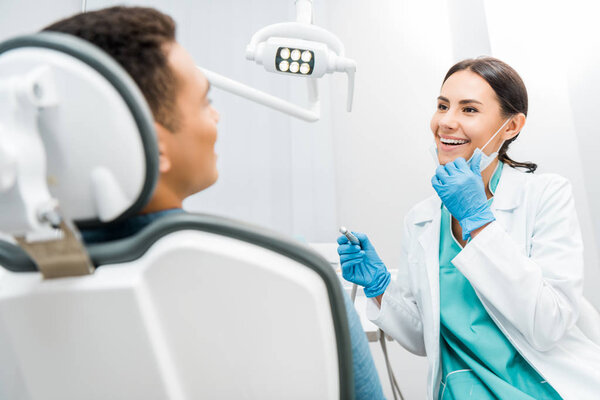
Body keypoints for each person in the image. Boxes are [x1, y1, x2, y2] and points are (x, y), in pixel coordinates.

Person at [43, 6, 385, 399]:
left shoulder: (23, 279)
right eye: (206, 101)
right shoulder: (295, 279)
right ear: (155, 145)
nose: (217, 117)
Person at [338, 57, 600, 399]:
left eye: (469, 110)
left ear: (511, 126)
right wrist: (380, 287)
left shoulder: (545, 195)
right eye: (442, 106)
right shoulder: (422, 219)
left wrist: (480, 223)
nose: (446, 122)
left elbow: (547, 325)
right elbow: (424, 338)